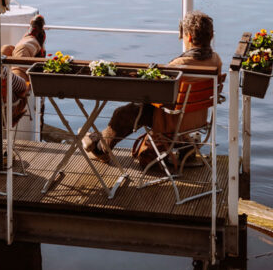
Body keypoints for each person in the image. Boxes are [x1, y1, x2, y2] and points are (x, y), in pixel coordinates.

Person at [82, 10, 224, 162]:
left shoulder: (179, 66)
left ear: (188, 36)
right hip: (198, 119)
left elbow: (159, 95)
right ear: (211, 36)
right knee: (134, 110)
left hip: (172, 121)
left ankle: (100, 149)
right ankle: (185, 145)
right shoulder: (216, 61)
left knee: (123, 114)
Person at [1, 14, 46, 84]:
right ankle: (32, 39)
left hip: (0, 84)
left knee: (6, 49)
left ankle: (30, 38)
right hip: (16, 89)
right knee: (23, 48)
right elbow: (20, 87)